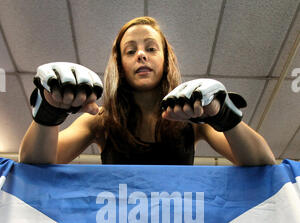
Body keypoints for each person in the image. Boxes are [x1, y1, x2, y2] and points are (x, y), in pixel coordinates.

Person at [19, 16, 276, 166]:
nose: (141, 55)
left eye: (151, 49)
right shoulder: (101, 120)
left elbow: (262, 162)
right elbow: (35, 164)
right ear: (120, 65)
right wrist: (49, 110)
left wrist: (222, 115)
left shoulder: (194, 120)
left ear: (166, 61)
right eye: (130, 51)